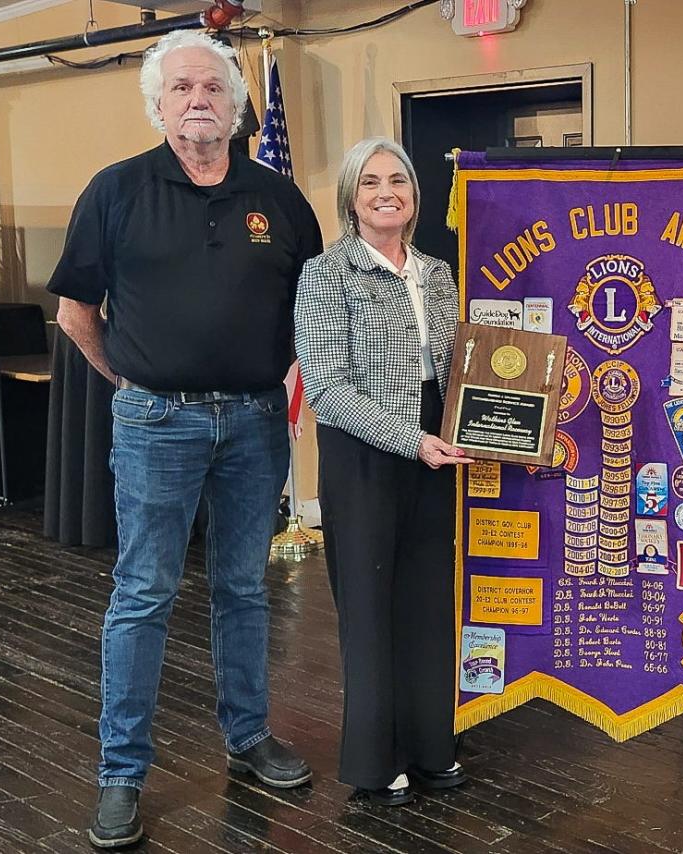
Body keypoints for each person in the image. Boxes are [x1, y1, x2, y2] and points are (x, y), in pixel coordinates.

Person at [46, 30, 323, 849]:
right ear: (158, 105)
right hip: (154, 423)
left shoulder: (280, 199)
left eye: (212, 86)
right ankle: (120, 774)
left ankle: (248, 738)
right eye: (181, 89)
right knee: (143, 595)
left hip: (254, 423)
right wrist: (127, 382)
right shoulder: (117, 190)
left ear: (236, 105)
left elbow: (314, 309)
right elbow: (74, 312)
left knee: (242, 590)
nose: (198, 99)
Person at [295, 137, 468, 807]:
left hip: (433, 447)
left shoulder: (436, 273)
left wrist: (475, 424)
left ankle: (431, 747)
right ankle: (375, 761)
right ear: (350, 198)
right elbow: (327, 389)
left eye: (398, 179)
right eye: (369, 182)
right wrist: (413, 439)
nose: (385, 191)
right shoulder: (326, 274)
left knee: (428, 601)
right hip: (366, 452)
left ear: (415, 195)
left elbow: (458, 370)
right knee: (368, 610)